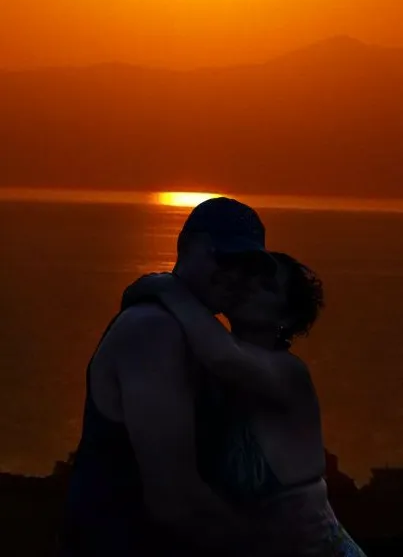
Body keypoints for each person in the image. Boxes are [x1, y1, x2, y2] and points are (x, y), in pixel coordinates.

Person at [59, 197, 279, 556]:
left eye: (247, 265)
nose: (235, 273)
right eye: (222, 256)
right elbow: (174, 500)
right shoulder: (153, 331)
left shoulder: (201, 338)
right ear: (186, 246)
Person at [125, 253, 367, 556]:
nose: (250, 287)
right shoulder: (210, 374)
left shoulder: (288, 373)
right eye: (248, 278)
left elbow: (222, 355)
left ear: (287, 317)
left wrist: (165, 288)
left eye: (266, 286)